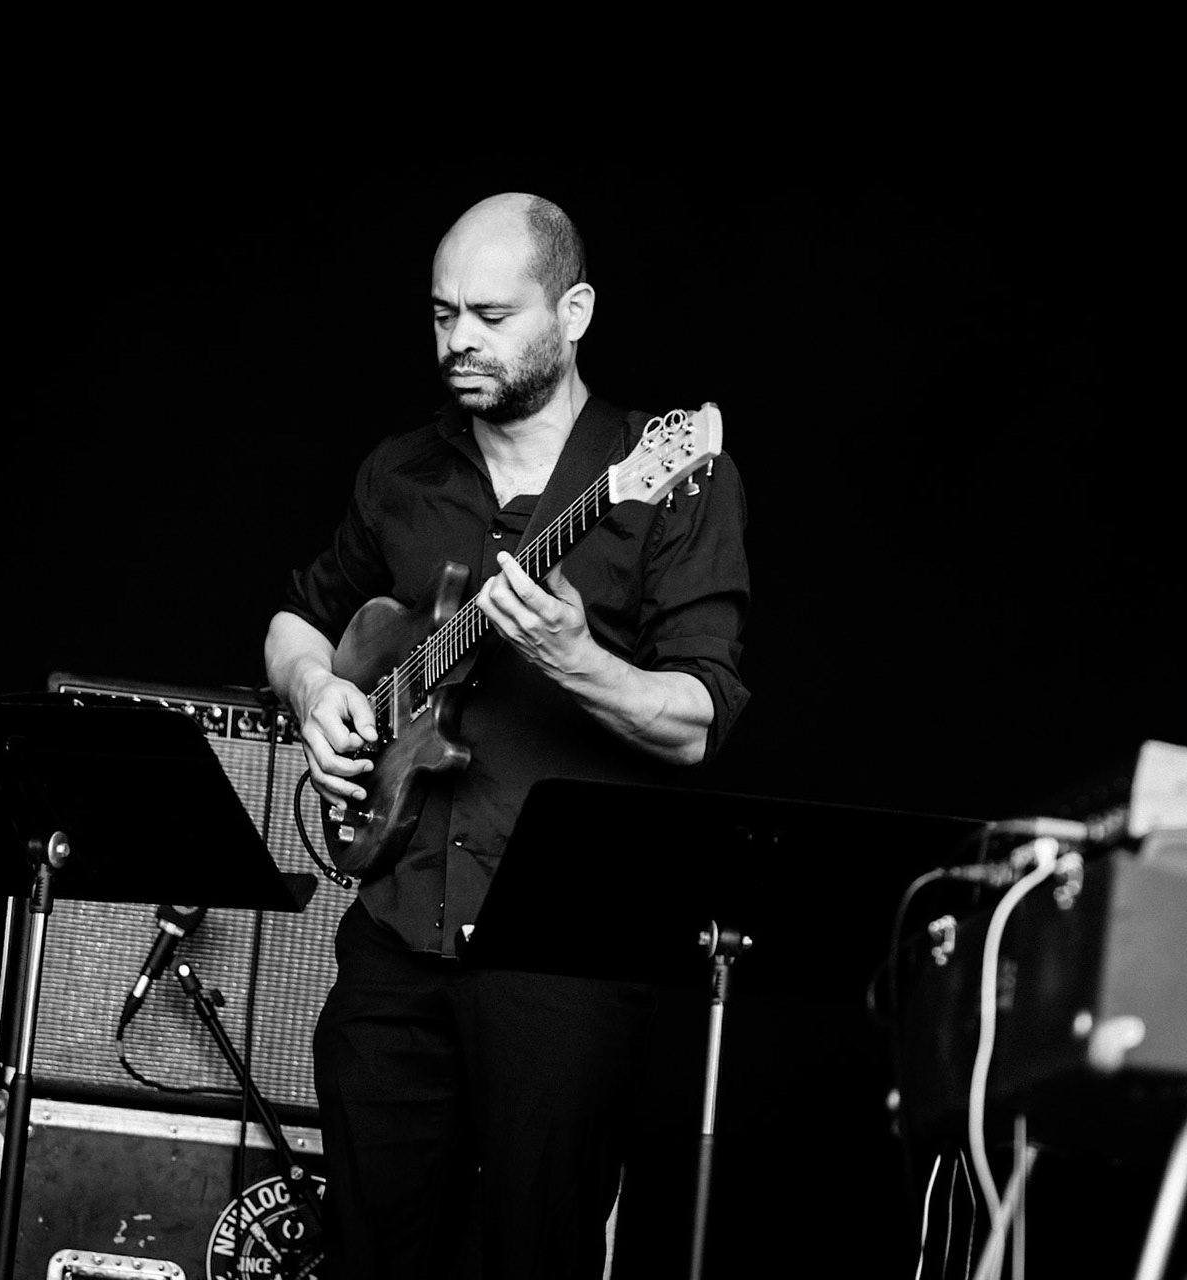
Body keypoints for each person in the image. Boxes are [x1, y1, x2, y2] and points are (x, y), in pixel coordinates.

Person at [264, 191, 750, 1278]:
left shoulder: (657, 475)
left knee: (539, 1249)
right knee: (366, 1248)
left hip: (564, 951)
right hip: (394, 935)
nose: (458, 341)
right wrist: (313, 691)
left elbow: (700, 720)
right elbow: (299, 615)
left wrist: (578, 659)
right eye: (442, 316)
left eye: (489, 313)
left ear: (574, 310)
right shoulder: (403, 471)